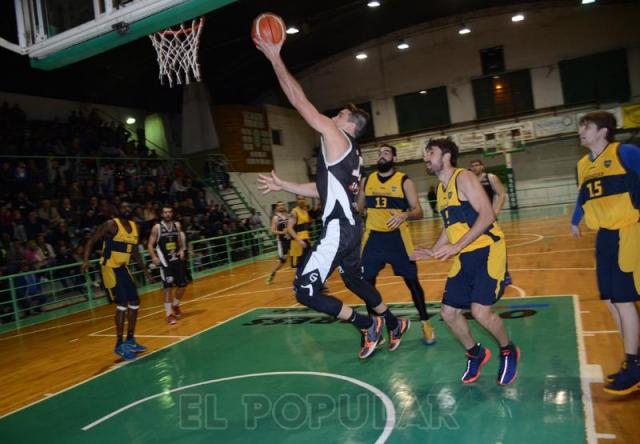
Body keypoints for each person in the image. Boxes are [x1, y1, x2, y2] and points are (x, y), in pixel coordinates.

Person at [255, 33, 408, 359]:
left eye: (338, 115)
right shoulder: (351, 153)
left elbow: (299, 101)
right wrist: (285, 185)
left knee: (305, 290)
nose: (332, 117)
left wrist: (274, 57)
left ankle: (366, 324)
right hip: (353, 227)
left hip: (340, 227)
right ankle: (393, 323)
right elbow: (323, 190)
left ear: (348, 124)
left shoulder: (336, 136)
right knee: (353, 280)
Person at [412, 138, 519, 385]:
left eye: (431, 152)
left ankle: (507, 349)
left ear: (446, 156)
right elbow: (450, 227)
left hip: (488, 248)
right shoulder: (440, 189)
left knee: (480, 311)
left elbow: (488, 214)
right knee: (448, 313)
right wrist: (432, 251)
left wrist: (457, 246)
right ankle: (475, 353)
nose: (426, 157)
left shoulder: (464, 178)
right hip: (465, 253)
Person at [570, 111, 640, 395]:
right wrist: (575, 219)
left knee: (624, 301)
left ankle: (634, 367)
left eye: (586, 127)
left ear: (603, 131)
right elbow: (584, 195)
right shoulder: (583, 164)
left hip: (629, 231)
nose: (581, 131)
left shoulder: (626, 152)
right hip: (605, 238)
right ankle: (634, 359)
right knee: (611, 301)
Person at [357, 144, 436, 345]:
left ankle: (425, 322)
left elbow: (419, 211)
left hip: (398, 239)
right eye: (379, 153)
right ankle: (374, 328)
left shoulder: (404, 181)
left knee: (412, 282)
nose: (382, 156)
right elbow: (359, 207)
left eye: (386, 153)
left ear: (394, 157)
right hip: (373, 238)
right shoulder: (367, 180)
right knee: (366, 284)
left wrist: (405, 214)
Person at [82, 201, 152, 360]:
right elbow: (91, 240)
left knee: (135, 301)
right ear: (118, 210)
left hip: (123, 267)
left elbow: (134, 252)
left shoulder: (136, 228)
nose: (126, 209)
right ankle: (119, 345)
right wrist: (86, 260)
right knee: (122, 304)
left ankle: (131, 340)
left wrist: (146, 271)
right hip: (109, 268)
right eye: (123, 207)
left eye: (129, 207)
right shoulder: (111, 225)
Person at [147, 206, 188, 325]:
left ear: (172, 213)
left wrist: (181, 250)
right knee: (167, 288)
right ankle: (169, 314)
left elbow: (180, 241)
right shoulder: (157, 227)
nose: (168, 214)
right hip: (165, 263)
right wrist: (154, 257)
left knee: (183, 286)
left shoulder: (177, 225)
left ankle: (175, 305)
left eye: (169, 212)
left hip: (177, 260)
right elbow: (150, 244)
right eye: (165, 212)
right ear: (162, 214)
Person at [266, 201, 290, 285]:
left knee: (297, 256)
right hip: (282, 241)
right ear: (276, 207)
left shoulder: (287, 215)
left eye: (282, 205)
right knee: (282, 261)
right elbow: (273, 231)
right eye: (279, 206)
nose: (281, 207)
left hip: (290, 239)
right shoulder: (275, 218)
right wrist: (283, 233)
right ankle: (272, 274)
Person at [288, 195, 312, 268]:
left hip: (305, 240)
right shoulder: (294, 212)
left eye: (303, 199)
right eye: (299, 199)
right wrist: (299, 240)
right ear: (296, 201)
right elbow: (289, 228)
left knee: (309, 261)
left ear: (305, 200)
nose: (301, 201)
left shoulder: (305, 211)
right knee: (299, 265)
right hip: (298, 242)